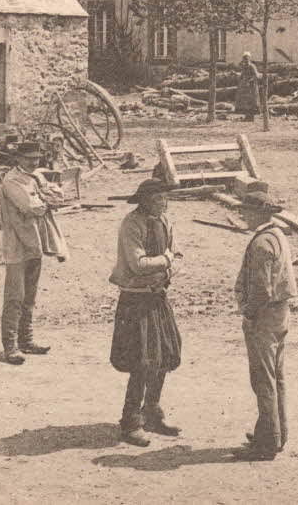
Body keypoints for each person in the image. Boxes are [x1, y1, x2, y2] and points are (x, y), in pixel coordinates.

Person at [109, 178, 183, 447]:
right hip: (135, 300)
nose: (163, 203)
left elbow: (178, 254)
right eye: (158, 199)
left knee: (163, 356)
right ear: (144, 201)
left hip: (158, 297)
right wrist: (167, 261)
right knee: (141, 361)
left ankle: (152, 411)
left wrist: (169, 264)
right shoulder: (132, 224)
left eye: (165, 198)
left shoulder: (164, 221)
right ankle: (130, 422)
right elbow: (138, 264)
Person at [232, 191, 298, 462]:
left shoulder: (261, 244)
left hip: (265, 317)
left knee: (263, 380)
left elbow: (261, 289)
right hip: (281, 313)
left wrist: (248, 313)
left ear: (259, 214)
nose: (241, 215)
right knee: (276, 377)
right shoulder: (277, 234)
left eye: (246, 211)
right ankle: (276, 433)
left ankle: (267, 443)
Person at [0, 142, 64, 365]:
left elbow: (59, 197)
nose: (34, 162)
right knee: (15, 297)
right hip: (17, 244)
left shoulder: (36, 176)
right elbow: (31, 206)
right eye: (29, 158)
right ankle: (11, 347)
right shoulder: (11, 181)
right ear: (18, 158)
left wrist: (44, 197)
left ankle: (26, 340)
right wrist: (45, 198)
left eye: (37, 158)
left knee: (30, 296)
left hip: (36, 242)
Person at [235, 53, 264, 122]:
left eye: (247, 59)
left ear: (249, 59)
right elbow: (242, 75)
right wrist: (240, 78)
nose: (246, 60)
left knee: (252, 100)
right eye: (244, 59)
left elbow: (257, 76)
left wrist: (251, 80)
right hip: (245, 86)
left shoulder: (252, 66)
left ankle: (252, 115)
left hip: (252, 85)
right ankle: (246, 114)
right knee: (245, 100)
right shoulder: (245, 66)